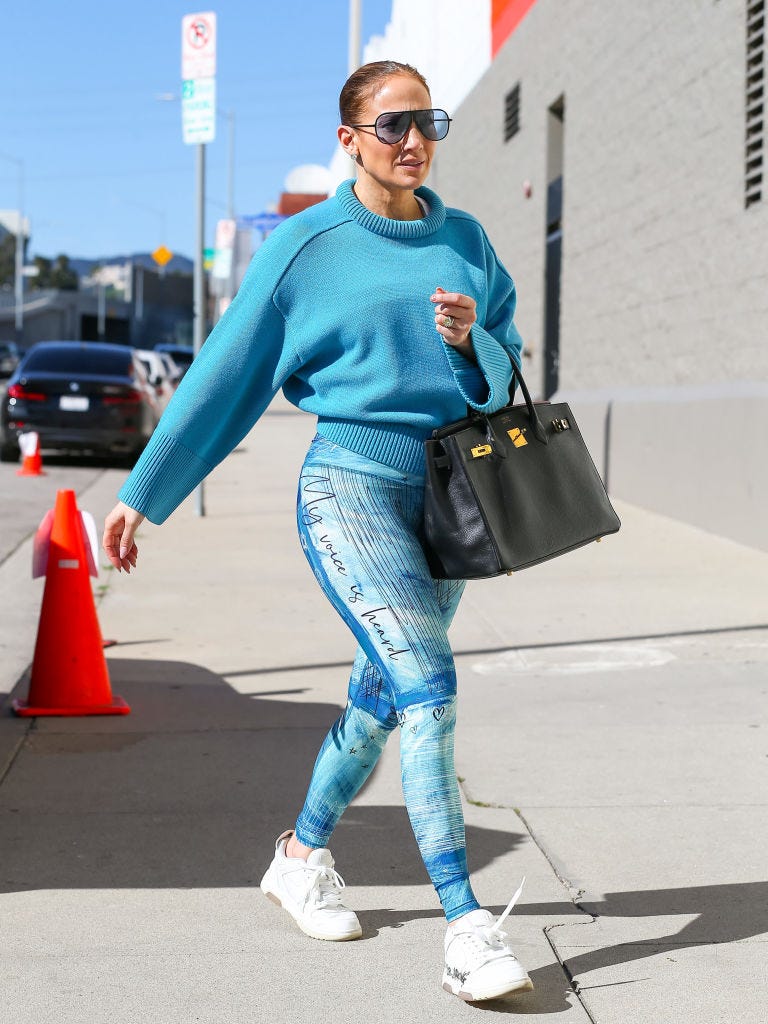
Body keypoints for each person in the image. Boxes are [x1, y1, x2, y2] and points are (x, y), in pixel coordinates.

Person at [103, 60, 533, 1004]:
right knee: (429, 685)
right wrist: (147, 488)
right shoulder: (306, 247)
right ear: (350, 139)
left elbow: (509, 368)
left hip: (448, 496)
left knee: (384, 697)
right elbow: (228, 370)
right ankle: (465, 926)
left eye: (429, 122)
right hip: (349, 483)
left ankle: (299, 853)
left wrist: (475, 345)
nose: (414, 139)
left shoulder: (467, 238)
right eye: (393, 124)